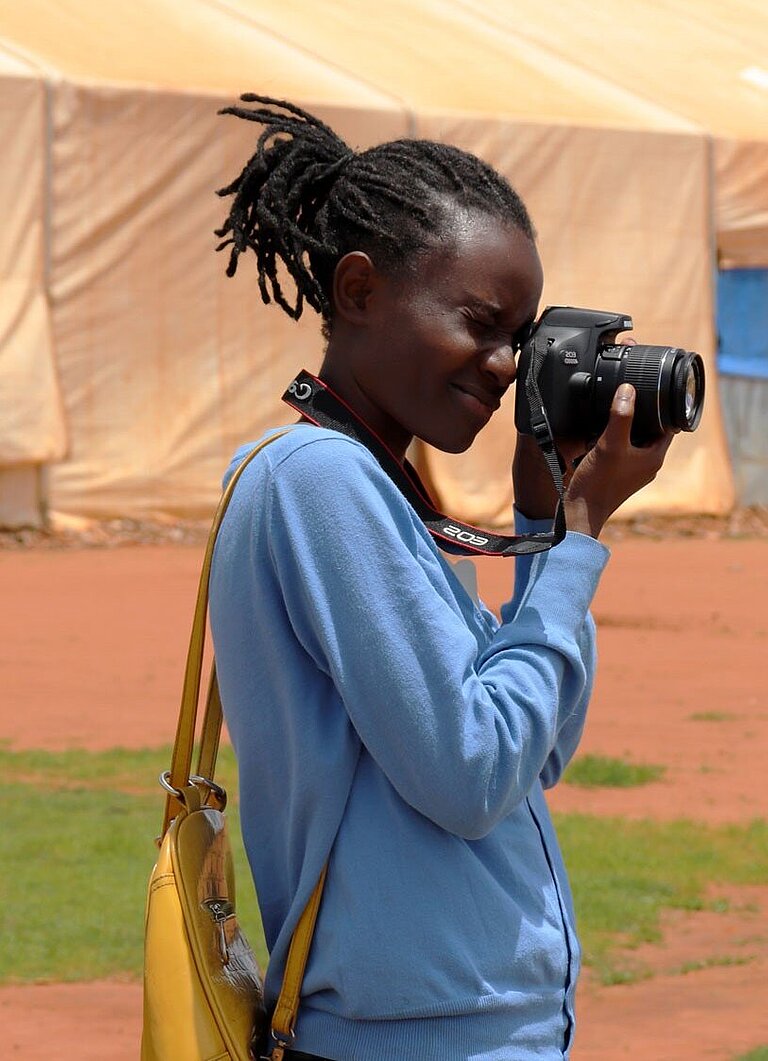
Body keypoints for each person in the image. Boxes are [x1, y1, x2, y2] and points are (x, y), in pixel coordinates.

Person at [209, 95, 672, 1061]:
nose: (506, 365)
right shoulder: (320, 481)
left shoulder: (378, 487)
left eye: (522, 336)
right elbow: (472, 773)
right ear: (360, 289)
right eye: (479, 322)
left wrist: (545, 519)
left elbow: (529, 755)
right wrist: (580, 533)